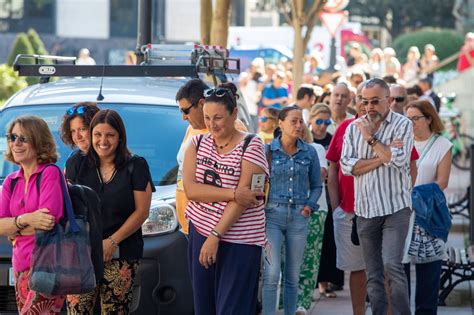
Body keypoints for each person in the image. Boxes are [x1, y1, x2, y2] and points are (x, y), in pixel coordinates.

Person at [182, 82, 267, 314]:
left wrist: (215, 236)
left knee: (232, 308)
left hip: (240, 241)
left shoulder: (252, 144)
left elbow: (245, 198)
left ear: (234, 114)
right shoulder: (196, 144)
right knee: (204, 307)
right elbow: (192, 190)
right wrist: (231, 193)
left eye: (218, 117)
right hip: (199, 230)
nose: (212, 124)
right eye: (207, 118)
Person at [65, 109, 154, 314]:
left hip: (121, 253)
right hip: (82, 254)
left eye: (110, 135)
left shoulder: (136, 165)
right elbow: (68, 206)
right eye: (97, 134)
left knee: (115, 311)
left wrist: (111, 242)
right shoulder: (76, 163)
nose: (102, 141)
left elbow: (142, 212)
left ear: (120, 137)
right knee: (77, 311)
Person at [340, 78, 413, 315]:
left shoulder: (403, 125)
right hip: (366, 210)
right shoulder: (353, 128)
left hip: (396, 208)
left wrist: (371, 139)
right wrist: (384, 154)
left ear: (389, 101)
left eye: (375, 101)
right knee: (373, 274)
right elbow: (347, 167)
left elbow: (400, 160)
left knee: (393, 266)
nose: (369, 106)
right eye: (365, 101)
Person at [0, 116, 66, 314]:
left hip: (48, 266)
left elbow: (46, 222)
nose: (16, 143)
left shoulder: (50, 173)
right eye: (12, 137)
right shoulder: (11, 181)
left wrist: (13, 227)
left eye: (23, 138)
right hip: (20, 265)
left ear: (38, 141)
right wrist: (26, 219)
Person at [262, 106, 322, 315]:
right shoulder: (267, 150)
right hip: (272, 217)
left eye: (300, 121)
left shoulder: (309, 152)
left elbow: (316, 185)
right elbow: (257, 183)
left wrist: (309, 206)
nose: (298, 125)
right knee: (271, 273)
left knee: (293, 275)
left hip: (299, 217)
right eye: (293, 121)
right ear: (281, 123)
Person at [175, 79, 247, 235]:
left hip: (215, 227)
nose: (183, 117)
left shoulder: (232, 127)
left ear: (201, 104)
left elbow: (240, 185)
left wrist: (216, 234)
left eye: (185, 111)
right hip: (190, 225)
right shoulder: (191, 129)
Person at [404, 100, 453, 315]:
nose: (411, 123)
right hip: (402, 213)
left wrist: (416, 194)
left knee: (429, 270)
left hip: (428, 213)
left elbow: (442, 182)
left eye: (416, 118)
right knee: (399, 270)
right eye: (408, 119)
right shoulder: (402, 142)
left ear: (429, 119)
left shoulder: (442, 145)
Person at [296, 126, 329, 314]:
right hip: (284, 209)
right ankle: (287, 302)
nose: (297, 127)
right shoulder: (275, 149)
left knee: (309, 258)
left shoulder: (315, 148)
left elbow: (321, 173)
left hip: (315, 208)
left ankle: (303, 303)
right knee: (285, 258)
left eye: (300, 122)